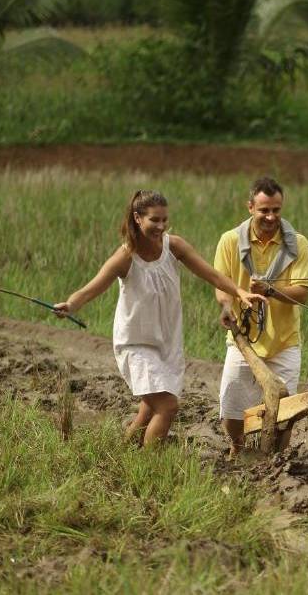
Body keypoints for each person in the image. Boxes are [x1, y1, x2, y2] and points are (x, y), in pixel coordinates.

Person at [54, 190, 266, 447]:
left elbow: (211, 274)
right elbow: (93, 287)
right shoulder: (126, 256)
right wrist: (72, 304)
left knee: (148, 408)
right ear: (137, 218)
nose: (161, 226)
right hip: (136, 343)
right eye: (154, 220)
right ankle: (148, 468)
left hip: (166, 342)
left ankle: (124, 452)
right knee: (167, 406)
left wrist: (238, 291)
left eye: (165, 220)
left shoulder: (173, 246)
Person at [214, 176, 308, 456]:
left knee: (285, 413)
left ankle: (276, 459)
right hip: (242, 340)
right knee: (232, 408)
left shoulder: (298, 244)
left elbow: (303, 293)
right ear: (250, 208)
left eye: (276, 210)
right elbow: (221, 286)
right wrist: (226, 308)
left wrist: (270, 290)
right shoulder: (230, 241)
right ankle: (238, 447)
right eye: (264, 210)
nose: (270, 216)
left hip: (284, 341)